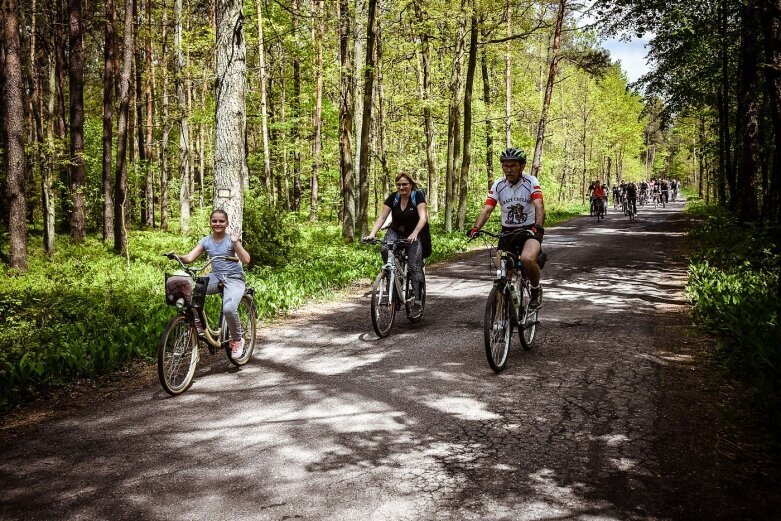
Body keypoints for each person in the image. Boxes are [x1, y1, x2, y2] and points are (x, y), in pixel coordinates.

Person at [467, 147, 545, 309]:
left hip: (529, 230)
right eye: (506, 166)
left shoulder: (531, 182)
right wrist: (476, 228)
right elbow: (487, 209)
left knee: (526, 259)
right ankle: (506, 310)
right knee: (502, 270)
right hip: (507, 232)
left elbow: (539, 206)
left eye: (513, 166)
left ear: (522, 166)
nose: (508, 170)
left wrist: (538, 226)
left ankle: (536, 290)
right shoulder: (498, 185)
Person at [167, 209, 251, 359]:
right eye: (214, 221)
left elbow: (246, 260)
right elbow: (189, 258)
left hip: (234, 278)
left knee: (229, 308)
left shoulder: (231, 240)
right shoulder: (206, 241)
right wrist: (176, 256)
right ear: (210, 223)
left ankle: (238, 339)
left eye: (221, 221)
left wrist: (235, 242)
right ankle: (198, 325)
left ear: (227, 223)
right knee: (190, 293)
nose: (217, 224)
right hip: (215, 276)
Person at [364, 172, 428, 312]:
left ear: (410, 184)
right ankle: (393, 289)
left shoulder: (417, 196)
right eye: (399, 184)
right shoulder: (393, 198)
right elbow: (382, 217)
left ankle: (417, 298)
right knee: (385, 249)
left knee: (414, 265)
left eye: (404, 184)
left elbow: (423, 218)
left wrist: (415, 233)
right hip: (396, 230)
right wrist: (372, 234)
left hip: (415, 232)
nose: (401, 187)